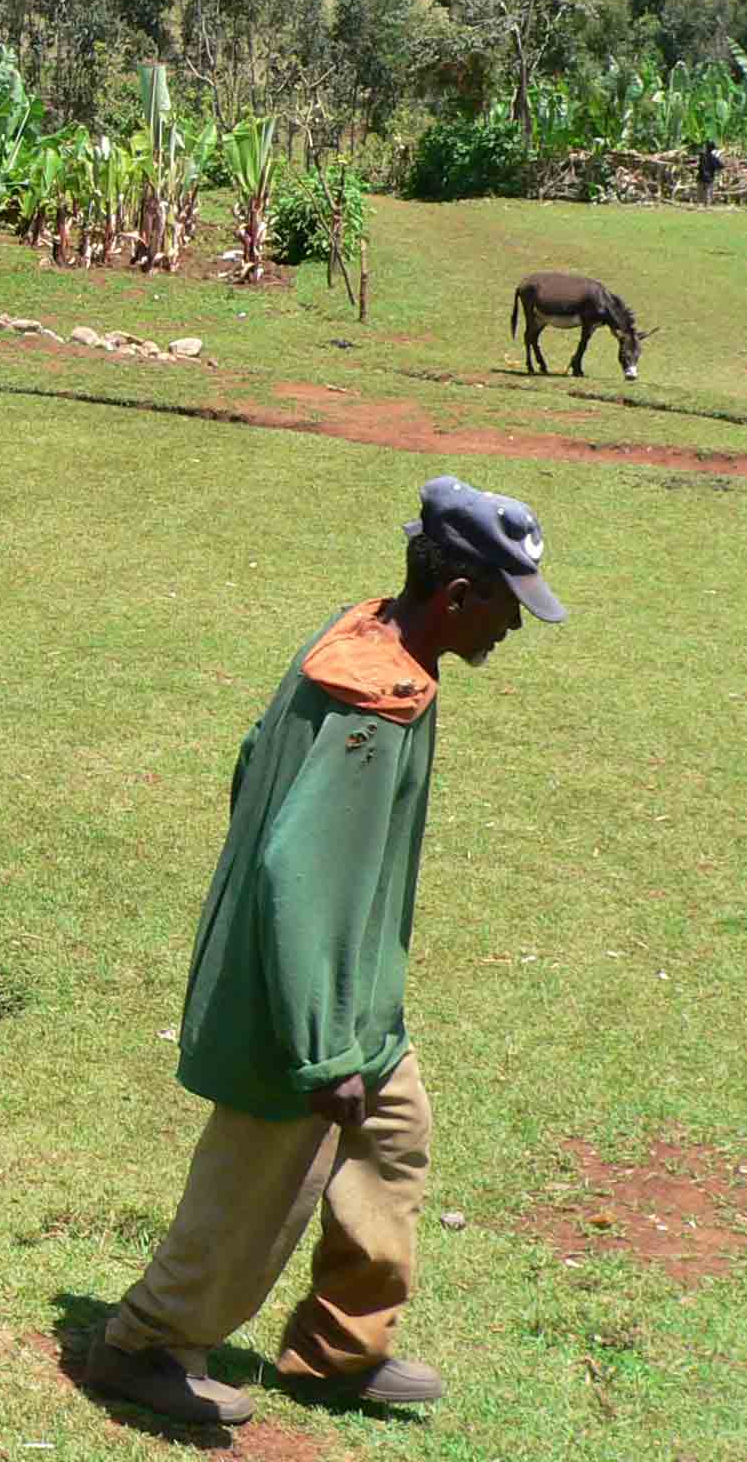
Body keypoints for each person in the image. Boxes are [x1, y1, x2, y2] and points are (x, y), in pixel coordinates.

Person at [85, 475, 568, 1427]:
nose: (512, 631)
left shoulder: (362, 637)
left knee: (394, 1142)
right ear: (459, 597)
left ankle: (338, 1351)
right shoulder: (372, 704)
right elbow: (293, 875)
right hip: (300, 1006)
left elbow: (251, 760)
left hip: (357, 999)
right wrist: (319, 1047)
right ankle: (140, 1346)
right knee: (259, 1186)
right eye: (508, 609)